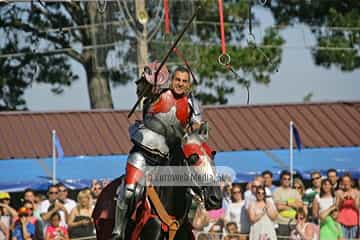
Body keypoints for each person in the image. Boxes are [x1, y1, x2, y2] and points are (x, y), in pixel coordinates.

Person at [112, 65, 204, 239]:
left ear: (188, 85)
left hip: (170, 157)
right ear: (171, 80)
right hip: (143, 154)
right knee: (131, 190)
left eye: (184, 81)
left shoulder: (192, 102)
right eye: (177, 79)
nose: (180, 84)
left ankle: (183, 225)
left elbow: (197, 125)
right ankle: (119, 231)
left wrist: (195, 130)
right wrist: (149, 80)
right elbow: (141, 91)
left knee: (190, 191)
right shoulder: (157, 93)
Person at [273, 170, 303, 240]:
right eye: (285, 179)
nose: (287, 180)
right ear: (281, 180)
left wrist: (283, 203)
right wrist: (290, 203)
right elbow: (278, 207)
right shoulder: (276, 191)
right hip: (281, 223)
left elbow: (300, 205)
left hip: (293, 223)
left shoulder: (294, 192)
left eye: (289, 179)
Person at [335, 173, 359, 239]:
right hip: (342, 221)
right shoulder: (338, 192)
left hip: (354, 221)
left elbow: (358, 209)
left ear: (351, 182)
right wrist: (341, 201)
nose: (345, 183)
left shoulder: (357, 192)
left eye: (347, 181)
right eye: (344, 181)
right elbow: (336, 208)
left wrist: (353, 201)